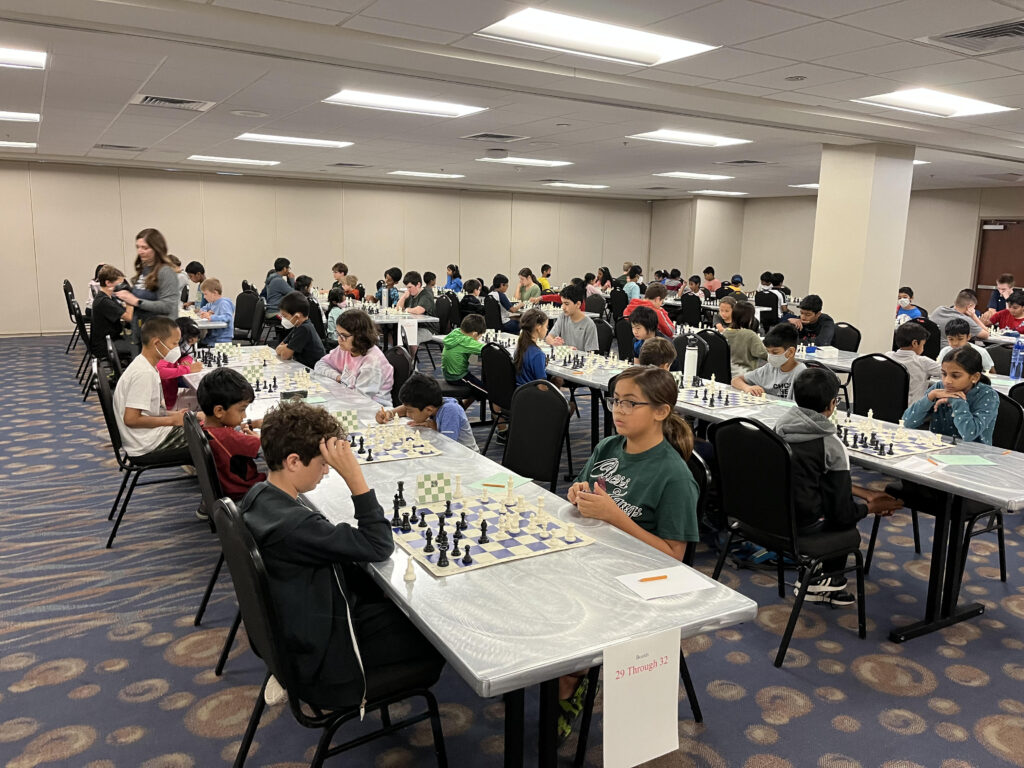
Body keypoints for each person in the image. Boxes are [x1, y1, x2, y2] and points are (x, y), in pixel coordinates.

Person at [240, 400, 443, 710]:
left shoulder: (258, 497)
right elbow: (378, 544)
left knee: (381, 595)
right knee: (436, 634)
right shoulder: (296, 525)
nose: (326, 471)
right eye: (323, 464)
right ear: (294, 461)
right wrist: (354, 477)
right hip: (328, 658)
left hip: (300, 633)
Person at [566, 366, 698, 736]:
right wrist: (577, 493)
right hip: (595, 556)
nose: (618, 410)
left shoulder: (673, 477)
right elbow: (581, 487)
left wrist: (616, 516)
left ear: (661, 411)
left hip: (639, 581)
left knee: (565, 608)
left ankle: (572, 677)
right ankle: (566, 671)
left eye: (630, 403)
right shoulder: (609, 447)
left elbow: (674, 556)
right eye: (615, 401)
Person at [775, 368, 904, 607]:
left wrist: (863, 491)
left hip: (772, 518)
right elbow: (842, 512)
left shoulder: (778, 429)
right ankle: (826, 580)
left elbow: (808, 477)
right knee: (845, 523)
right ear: (833, 403)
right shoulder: (830, 444)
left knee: (830, 500)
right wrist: (870, 507)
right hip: (805, 526)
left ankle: (814, 574)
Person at [112, 316, 193, 464]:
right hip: (146, 444)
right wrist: (171, 421)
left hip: (145, 438)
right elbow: (131, 419)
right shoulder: (144, 373)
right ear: (157, 342)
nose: (177, 349)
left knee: (200, 428)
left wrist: (173, 415)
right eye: (174, 343)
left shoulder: (145, 365)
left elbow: (148, 410)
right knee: (209, 438)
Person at [903, 345, 999, 444]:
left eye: (955, 376)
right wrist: (930, 396)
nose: (947, 381)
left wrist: (956, 400)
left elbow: (968, 434)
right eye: (944, 374)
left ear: (974, 377)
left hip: (973, 454)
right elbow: (907, 422)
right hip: (938, 448)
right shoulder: (939, 388)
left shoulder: (988, 395)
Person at [196, 367, 266, 500]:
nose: (244, 415)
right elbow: (271, 448)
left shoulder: (205, 427)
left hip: (225, 489)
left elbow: (233, 431)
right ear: (219, 411)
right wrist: (259, 437)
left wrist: (253, 424)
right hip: (248, 492)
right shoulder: (230, 438)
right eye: (242, 410)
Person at [114, 228, 181, 351]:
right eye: (138, 247)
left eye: (145, 248)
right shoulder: (145, 270)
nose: (140, 251)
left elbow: (168, 306)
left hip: (160, 335)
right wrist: (127, 296)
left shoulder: (165, 272)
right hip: (142, 332)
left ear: (157, 248)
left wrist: (136, 301)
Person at [375, 374, 478, 451]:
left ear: (428, 410)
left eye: (410, 412)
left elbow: (448, 446)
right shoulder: (431, 402)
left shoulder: (450, 410)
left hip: (466, 457)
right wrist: (390, 413)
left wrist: (435, 428)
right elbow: (407, 406)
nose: (408, 414)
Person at [314, 309, 394, 407]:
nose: (339, 339)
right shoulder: (345, 349)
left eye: (344, 336)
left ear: (360, 336)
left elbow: (359, 399)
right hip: (350, 401)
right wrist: (338, 377)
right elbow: (320, 365)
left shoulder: (372, 361)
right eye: (338, 334)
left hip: (373, 411)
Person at [732, 323, 806, 399]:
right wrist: (747, 388)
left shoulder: (802, 374)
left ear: (790, 352)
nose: (770, 356)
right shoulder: (769, 368)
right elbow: (736, 380)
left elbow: (801, 407)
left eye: (775, 352)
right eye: (768, 351)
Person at [887, 321, 943, 404]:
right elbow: (947, 372)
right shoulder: (923, 362)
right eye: (923, 345)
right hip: (912, 411)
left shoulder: (888, 356)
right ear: (915, 343)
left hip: (888, 406)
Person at [89, 264, 133, 362]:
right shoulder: (104, 301)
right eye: (119, 284)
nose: (122, 287)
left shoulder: (107, 297)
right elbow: (129, 317)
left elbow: (122, 310)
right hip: (106, 346)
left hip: (109, 340)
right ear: (108, 283)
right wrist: (129, 299)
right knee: (139, 346)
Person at [158, 317, 203, 409]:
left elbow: (186, 355)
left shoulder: (173, 348)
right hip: (168, 403)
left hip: (172, 396)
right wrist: (187, 369)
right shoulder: (165, 351)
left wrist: (185, 361)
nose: (188, 347)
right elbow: (160, 371)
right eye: (189, 342)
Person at [442, 314, 487, 401]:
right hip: (458, 377)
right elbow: (487, 350)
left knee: (477, 388)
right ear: (474, 334)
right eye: (479, 337)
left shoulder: (456, 332)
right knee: (486, 392)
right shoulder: (467, 341)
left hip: (449, 374)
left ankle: (462, 408)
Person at [276, 290, 326, 369]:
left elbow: (285, 355)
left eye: (285, 316)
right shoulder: (298, 326)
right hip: (304, 365)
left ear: (297, 316)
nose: (283, 319)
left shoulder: (304, 329)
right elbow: (278, 349)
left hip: (314, 369)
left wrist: (286, 347)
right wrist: (286, 347)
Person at [546, 284, 598, 351]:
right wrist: (554, 342)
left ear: (578, 304)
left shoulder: (589, 324)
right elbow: (548, 338)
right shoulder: (563, 317)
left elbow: (590, 353)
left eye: (567, 304)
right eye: (562, 303)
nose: (563, 307)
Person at [396, 270, 437, 356]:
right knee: (396, 333)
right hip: (413, 326)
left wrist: (406, 309)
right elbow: (398, 309)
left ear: (418, 285)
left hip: (429, 328)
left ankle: (412, 364)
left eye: (410, 287)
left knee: (412, 337)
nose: (408, 290)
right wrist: (403, 297)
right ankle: (400, 360)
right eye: (407, 287)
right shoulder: (411, 295)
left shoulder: (426, 294)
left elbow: (419, 310)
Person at [723, 301, 767, 378]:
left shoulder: (725, 333)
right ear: (750, 318)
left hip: (726, 374)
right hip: (746, 376)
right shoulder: (750, 335)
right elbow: (765, 354)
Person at [514, 308, 549, 385]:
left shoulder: (519, 347)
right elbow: (542, 385)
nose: (547, 330)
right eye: (546, 326)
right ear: (539, 328)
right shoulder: (538, 354)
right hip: (532, 395)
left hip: (519, 393)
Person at [196, 278, 234, 345]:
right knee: (197, 343)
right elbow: (203, 308)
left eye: (205, 294)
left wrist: (211, 317)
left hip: (222, 340)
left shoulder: (223, 303)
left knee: (199, 345)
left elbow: (228, 317)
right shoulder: (212, 303)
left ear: (215, 293)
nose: (204, 297)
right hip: (213, 337)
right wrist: (204, 313)